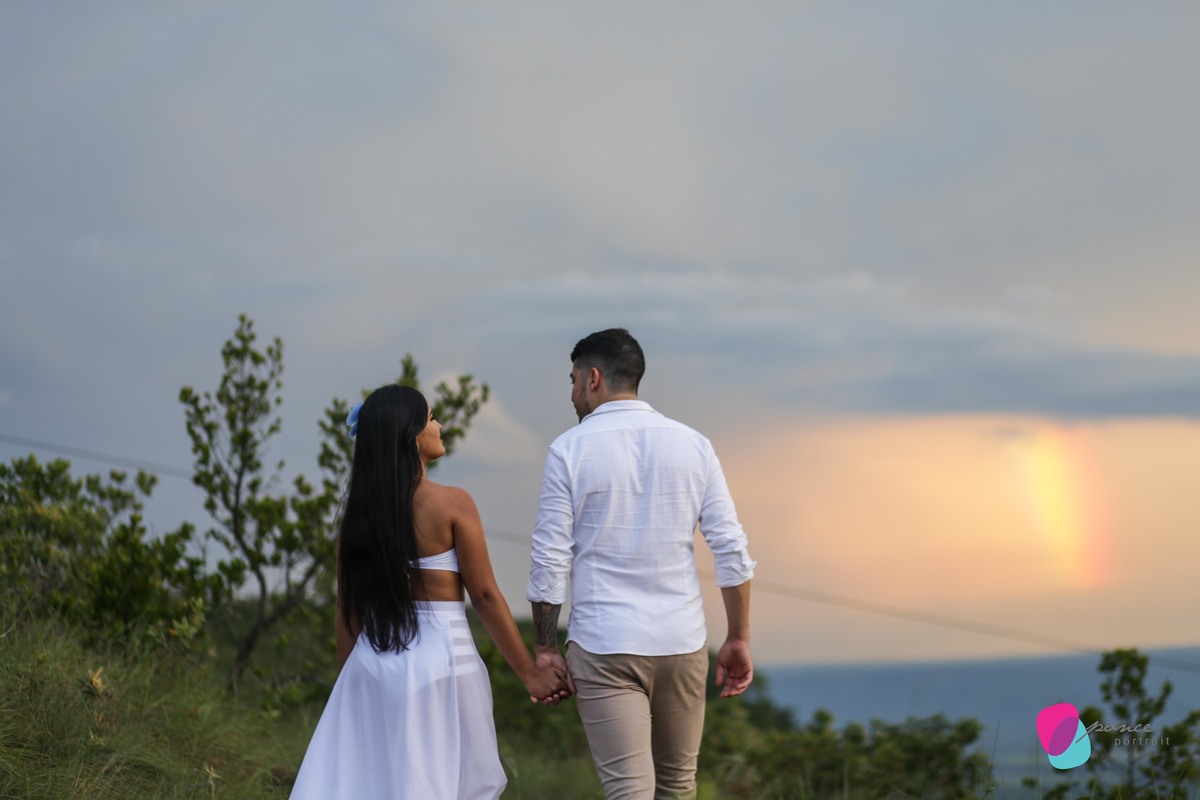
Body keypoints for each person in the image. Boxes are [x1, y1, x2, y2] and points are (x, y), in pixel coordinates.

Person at [290, 383, 569, 800]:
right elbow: (485, 595)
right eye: (432, 418)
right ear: (411, 435)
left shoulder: (357, 518)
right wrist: (530, 673)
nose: (439, 426)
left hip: (373, 664)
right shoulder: (453, 503)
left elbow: (347, 610)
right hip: (444, 662)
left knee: (374, 784)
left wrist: (353, 683)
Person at [527, 328, 756, 800]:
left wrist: (546, 647)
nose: (572, 394)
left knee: (628, 791)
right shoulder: (694, 444)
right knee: (678, 787)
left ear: (593, 378)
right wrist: (737, 637)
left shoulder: (568, 449)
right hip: (681, 642)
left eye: (573, 381)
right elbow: (730, 549)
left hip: (605, 645)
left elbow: (549, 557)